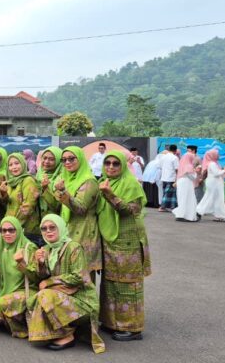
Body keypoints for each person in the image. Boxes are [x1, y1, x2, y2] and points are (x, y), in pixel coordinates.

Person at [26, 214, 104, 353]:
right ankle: (55, 333)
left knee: (45, 295)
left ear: (61, 228)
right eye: (44, 228)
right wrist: (41, 264)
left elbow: (78, 277)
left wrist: (49, 281)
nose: (48, 231)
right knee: (38, 297)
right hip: (63, 297)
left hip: (82, 302)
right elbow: (41, 278)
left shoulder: (73, 247)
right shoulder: (47, 249)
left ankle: (67, 335)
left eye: (52, 227)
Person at [97, 150, 151, 342]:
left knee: (128, 284)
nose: (111, 167)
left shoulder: (131, 184)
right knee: (111, 282)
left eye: (115, 164)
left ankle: (132, 328)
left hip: (128, 242)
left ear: (123, 166)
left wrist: (110, 195)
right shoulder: (103, 183)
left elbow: (130, 211)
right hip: (110, 240)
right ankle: (112, 322)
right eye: (107, 163)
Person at [53, 146, 101, 277]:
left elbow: (81, 208)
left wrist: (63, 192)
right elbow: (58, 205)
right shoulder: (65, 178)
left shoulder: (89, 181)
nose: (67, 162)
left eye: (71, 159)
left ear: (80, 159)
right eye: (64, 160)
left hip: (84, 232)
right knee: (69, 273)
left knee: (83, 275)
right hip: (68, 230)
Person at [0, 216, 40, 338]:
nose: (7, 233)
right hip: (6, 289)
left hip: (27, 290)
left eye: (11, 230)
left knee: (0, 305)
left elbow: (37, 277)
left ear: (18, 230)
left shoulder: (29, 247)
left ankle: (24, 330)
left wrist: (22, 263)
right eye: (3, 230)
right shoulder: (2, 248)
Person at [0, 152, 42, 247]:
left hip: (25, 229)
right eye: (10, 165)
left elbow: (28, 207)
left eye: (17, 163)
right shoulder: (11, 182)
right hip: (11, 228)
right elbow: (9, 204)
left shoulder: (28, 180)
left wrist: (13, 226)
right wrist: (3, 193)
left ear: (23, 164)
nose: (14, 167)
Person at [196, 149, 225, 222]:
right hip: (214, 183)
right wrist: (224, 170)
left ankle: (219, 216)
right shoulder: (212, 164)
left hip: (214, 183)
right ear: (213, 155)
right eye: (217, 154)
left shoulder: (214, 163)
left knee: (216, 199)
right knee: (210, 198)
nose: (218, 155)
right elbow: (216, 173)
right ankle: (199, 211)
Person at [37, 146, 63, 219]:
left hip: (54, 218)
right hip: (38, 216)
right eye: (44, 158)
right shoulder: (40, 173)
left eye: (51, 159)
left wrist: (46, 189)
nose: (46, 162)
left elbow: (57, 206)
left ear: (58, 161)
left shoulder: (61, 178)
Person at [172, 152, 199, 222]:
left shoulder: (182, 165)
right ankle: (187, 215)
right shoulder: (189, 166)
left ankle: (180, 214)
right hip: (187, 183)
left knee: (182, 198)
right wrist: (196, 172)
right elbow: (192, 177)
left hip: (181, 182)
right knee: (188, 198)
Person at [158, 145, 179, 212]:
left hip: (164, 177)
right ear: (175, 150)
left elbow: (160, 166)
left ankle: (173, 206)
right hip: (171, 178)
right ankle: (162, 207)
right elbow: (177, 169)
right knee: (168, 193)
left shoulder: (163, 157)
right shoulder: (174, 158)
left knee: (168, 193)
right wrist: (177, 177)